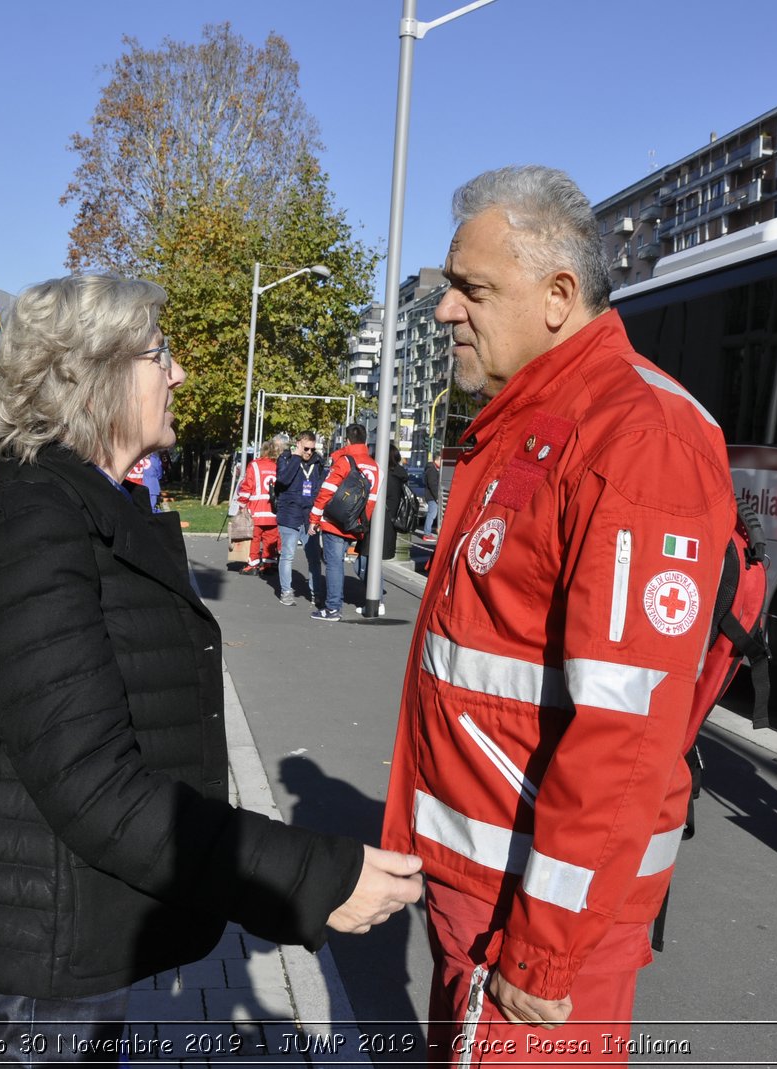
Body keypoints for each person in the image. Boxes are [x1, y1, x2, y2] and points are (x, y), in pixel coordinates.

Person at [0, 273, 422, 1062]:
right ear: (97, 375)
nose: (179, 372)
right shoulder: (33, 524)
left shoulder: (79, 510)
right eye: (160, 353)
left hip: (75, 934)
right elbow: (96, 786)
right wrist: (311, 877)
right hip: (41, 952)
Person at [380, 166, 734, 1064]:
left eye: (472, 289)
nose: (446, 311)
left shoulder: (635, 437)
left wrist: (544, 948)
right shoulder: (533, 419)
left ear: (558, 295)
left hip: (534, 915)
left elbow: (625, 731)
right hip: (484, 888)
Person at [308, 423, 379, 622]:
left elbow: (326, 491)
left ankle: (332, 608)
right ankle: (334, 606)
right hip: (356, 523)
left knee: (334, 564)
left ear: (347, 441)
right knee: (339, 563)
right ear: (365, 441)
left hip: (334, 521)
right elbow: (372, 501)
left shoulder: (344, 461)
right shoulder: (375, 466)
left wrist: (314, 519)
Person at [352, 441, 407, 615]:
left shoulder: (388, 478)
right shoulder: (397, 475)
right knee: (366, 563)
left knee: (365, 564)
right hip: (383, 526)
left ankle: (376, 601)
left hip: (379, 526)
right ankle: (375, 598)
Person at [273, 430, 325, 606]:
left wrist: (317, 515)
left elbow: (319, 488)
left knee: (314, 558)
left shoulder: (317, 461)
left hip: (309, 516)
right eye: (306, 448)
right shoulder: (286, 459)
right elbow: (283, 480)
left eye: (312, 449)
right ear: (298, 445)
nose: (309, 453)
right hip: (289, 514)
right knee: (287, 555)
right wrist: (296, 457)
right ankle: (286, 591)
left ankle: (315, 592)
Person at [234, 436, 283, 575]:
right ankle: (268, 563)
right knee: (271, 539)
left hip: (256, 510)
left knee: (254, 539)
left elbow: (247, 487)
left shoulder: (254, 465)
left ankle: (252, 564)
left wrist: (241, 504)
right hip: (273, 512)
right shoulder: (279, 466)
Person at [422, 453, 442, 540]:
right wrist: (437, 497)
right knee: (431, 514)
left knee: (432, 514)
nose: (442, 462)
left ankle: (427, 533)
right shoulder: (432, 470)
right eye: (441, 460)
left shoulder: (432, 469)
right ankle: (426, 534)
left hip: (431, 496)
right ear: (436, 460)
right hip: (432, 496)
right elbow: (433, 485)